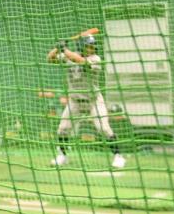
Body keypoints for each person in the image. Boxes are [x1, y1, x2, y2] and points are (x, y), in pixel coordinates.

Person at [46, 35, 126, 169]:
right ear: (81, 46)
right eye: (89, 45)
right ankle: (62, 155)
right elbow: (50, 59)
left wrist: (64, 49)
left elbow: (81, 61)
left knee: (103, 128)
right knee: (63, 129)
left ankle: (118, 156)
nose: (92, 48)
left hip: (93, 100)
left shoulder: (95, 59)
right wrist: (57, 48)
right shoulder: (68, 56)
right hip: (75, 101)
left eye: (93, 45)